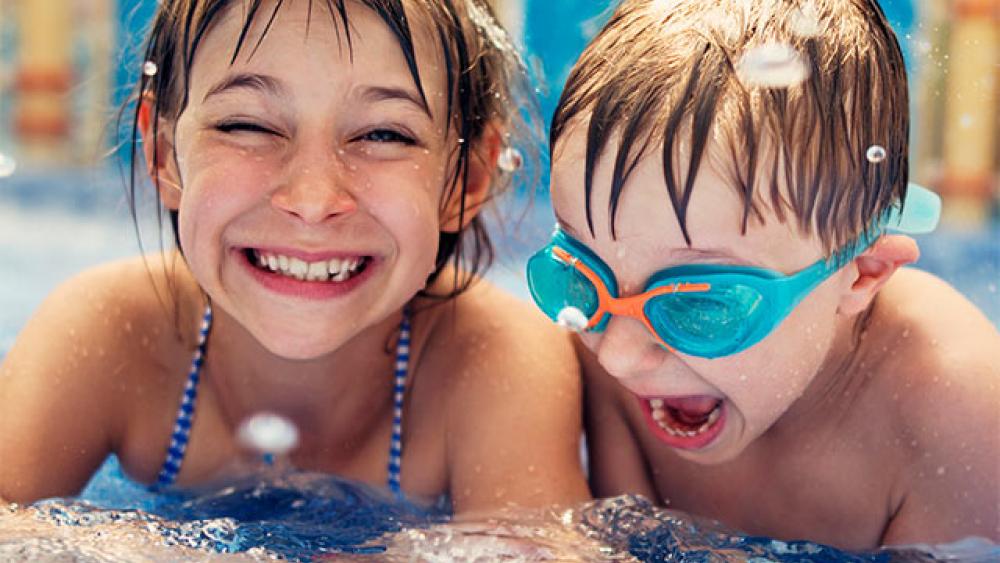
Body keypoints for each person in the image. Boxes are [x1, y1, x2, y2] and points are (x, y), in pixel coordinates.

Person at [0, 0, 589, 516]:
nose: (311, 201)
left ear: (468, 176)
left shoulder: (490, 364)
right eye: (246, 124)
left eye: (384, 134)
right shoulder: (111, 334)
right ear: (162, 153)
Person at [526, 0, 999, 550]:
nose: (617, 357)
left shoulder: (959, 415)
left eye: (699, 303)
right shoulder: (593, 341)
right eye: (579, 275)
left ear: (862, 271)